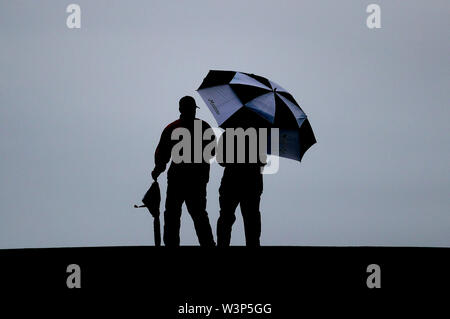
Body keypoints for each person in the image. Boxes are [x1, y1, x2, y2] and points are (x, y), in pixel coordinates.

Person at [151, 96, 216, 247]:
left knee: (172, 215)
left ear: (180, 109)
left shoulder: (172, 128)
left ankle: (171, 247)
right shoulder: (204, 127)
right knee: (199, 214)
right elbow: (212, 152)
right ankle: (208, 246)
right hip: (197, 179)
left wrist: (157, 170)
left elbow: (162, 154)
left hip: (177, 179)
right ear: (194, 109)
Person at [216, 124, 267, 247]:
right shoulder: (259, 135)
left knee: (226, 217)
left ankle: (223, 244)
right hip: (252, 183)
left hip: (231, 182)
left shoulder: (227, 134)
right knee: (252, 218)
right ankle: (253, 245)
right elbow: (262, 161)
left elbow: (221, 161)